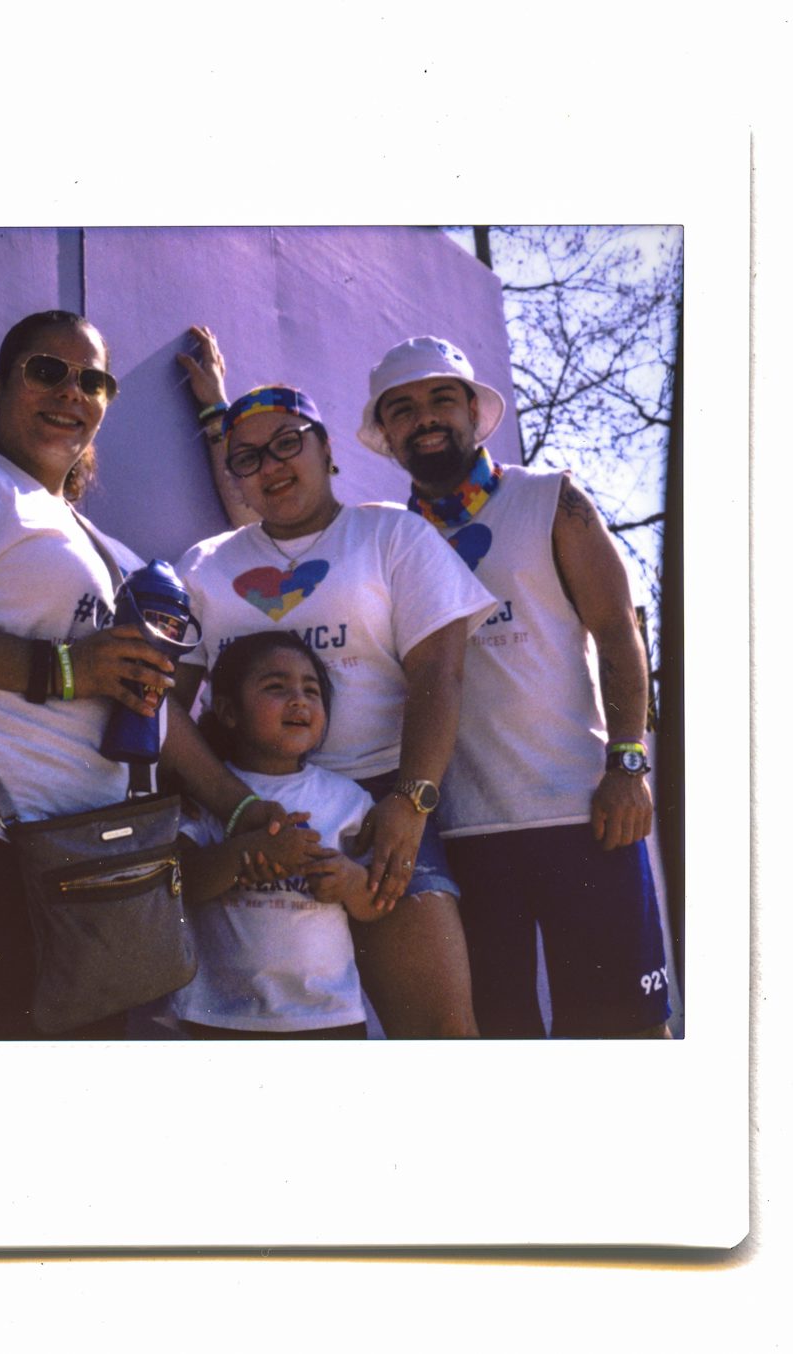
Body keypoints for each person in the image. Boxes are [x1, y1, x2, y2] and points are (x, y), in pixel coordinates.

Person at [0, 310, 312, 1040]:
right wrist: (64, 669)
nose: (70, 392)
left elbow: (156, 709)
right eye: (47, 371)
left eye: (93, 381)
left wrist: (237, 806)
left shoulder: (116, 555)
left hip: (87, 871)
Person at [173, 331, 498, 1038]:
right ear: (234, 476)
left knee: (443, 1036)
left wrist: (411, 801)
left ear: (328, 451)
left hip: (383, 809)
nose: (271, 466)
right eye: (248, 458)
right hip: (251, 815)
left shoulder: (393, 536)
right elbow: (163, 705)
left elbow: (440, 674)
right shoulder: (206, 565)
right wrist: (230, 807)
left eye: (288, 443)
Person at [357, 335, 671, 1038]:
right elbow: (280, 521)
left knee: (626, 1033)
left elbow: (619, 632)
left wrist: (629, 763)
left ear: (475, 411)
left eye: (442, 399)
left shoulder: (549, 497)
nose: (424, 417)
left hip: (585, 815)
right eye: (402, 409)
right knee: (501, 1044)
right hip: (462, 834)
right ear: (386, 435)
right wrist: (219, 416)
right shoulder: (387, 540)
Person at [173, 633, 388, 1039]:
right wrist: (245, 855)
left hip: (328, 1015)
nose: (299, 700)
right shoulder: (208, 795)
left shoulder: (347, 799)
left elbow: (376, 902)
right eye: (276, 687)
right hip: (220, 1014)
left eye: (311, 690)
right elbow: (182, 884)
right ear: (228, 711)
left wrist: (349, 881)